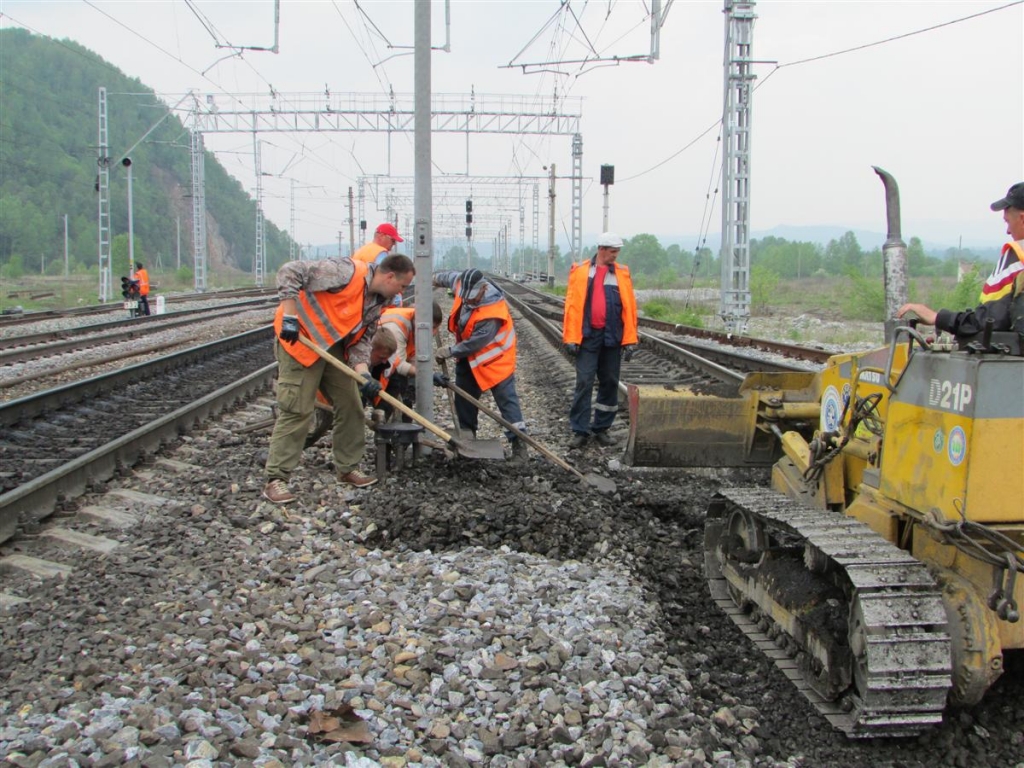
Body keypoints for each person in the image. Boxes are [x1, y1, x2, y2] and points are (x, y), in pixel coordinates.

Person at [263, 253, 415, 504]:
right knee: (297, 409)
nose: (402, 292)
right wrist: (290, 317)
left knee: (351, 404)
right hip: (299, 341)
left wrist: (364, 375)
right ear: (389, 276)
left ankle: (347, 468)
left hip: (330, 347)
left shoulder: (376, 302)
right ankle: (276, 478)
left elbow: (361, 343)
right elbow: (289, 271)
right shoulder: (345, 272)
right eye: (402, 285)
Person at [897, 183, 1024, 340]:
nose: (1008, 231)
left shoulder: (1018, 254)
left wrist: (938, 318)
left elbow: (988, 320)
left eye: (1007, 221)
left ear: (1022, 218)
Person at [432, 268, 529, 463]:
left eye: (473, 299)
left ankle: (520, 446)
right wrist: (430, 280)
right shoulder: (461, 283)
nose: (468, 302)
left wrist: (450, 351)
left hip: (495, 358)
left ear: (483, 289)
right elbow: (446, 277)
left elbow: (476, 342)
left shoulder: (492, 310)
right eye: (465, 298)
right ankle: (468, 439)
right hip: (469, 358)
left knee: (506, 401)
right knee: (464, 398)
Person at [562, 232, 638, 449]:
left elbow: (629, 308)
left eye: (617, 251)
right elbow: (572, 306)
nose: (616, 255)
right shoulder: (581, 271)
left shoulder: (622, 274)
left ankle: (601, 429)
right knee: (584, 382)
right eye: (613, 251)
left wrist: (630, 340)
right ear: (602, 249)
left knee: (610, 383)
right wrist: (570, 337)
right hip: (588, 336)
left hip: (612, 336)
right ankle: (580, 431)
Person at [371, 301, 444, 418]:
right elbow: (397, 364)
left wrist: (425, 374)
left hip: (387, 359)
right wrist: (427, 374)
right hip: (374, 359)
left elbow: (413, 357)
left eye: (436, 328)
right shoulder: (395, 327)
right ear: (420, 323)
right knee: (392, 386)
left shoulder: (419, 326)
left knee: (402, 388)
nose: (434, 332)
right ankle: (382, 419)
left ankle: (395, 419)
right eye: (433, 327)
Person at [354, 223, 405, 307]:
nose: (394, 244)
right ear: (382, 236)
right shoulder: (380, 253)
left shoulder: (360, 251)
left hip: (359, 299)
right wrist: (396, 300)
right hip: (375, 302)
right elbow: (387, 280)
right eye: (393, 240)